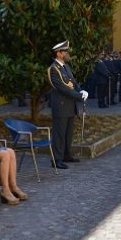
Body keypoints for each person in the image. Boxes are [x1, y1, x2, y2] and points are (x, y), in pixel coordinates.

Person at [47, 40, 87, 169]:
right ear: (59, 53)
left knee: (68, 133)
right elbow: (62, 88)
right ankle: (56, 160)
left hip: (70, 105)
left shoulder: (66, 67)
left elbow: (73, 82)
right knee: (59, 134)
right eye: (65, 52)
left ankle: (66, 155)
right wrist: (79, 96)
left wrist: (80, 90)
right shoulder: (54, 69)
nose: (68, 54)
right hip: (61, 106)